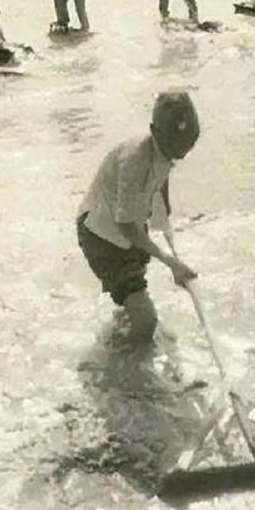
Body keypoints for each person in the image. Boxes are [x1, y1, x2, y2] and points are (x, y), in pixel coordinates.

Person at [77, 91, 200, 341]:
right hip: (101, 235)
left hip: (128, 228)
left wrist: (163, 213)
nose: (183, 154)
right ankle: (122, 367)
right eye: (177, 147)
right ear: (155, 132)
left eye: (188, 145)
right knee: (146, 321)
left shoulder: (165, 149)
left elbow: (160, 177)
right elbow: (125, 225)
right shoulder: (133, 160)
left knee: (132, 303)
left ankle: (124, 321)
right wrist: (170, 262)